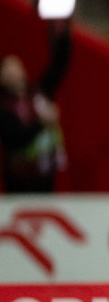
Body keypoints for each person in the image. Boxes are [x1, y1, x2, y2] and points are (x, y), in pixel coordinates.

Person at [0, 22, 70, 192]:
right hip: (18, 179)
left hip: (45, 173)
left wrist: (63, 31)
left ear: (23, 70)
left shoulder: (38, 93)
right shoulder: (3, 106)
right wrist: (42, 123)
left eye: (15, 66)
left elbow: (58, 66)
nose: (12, 71)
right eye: (7, 68)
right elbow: (14, 138)